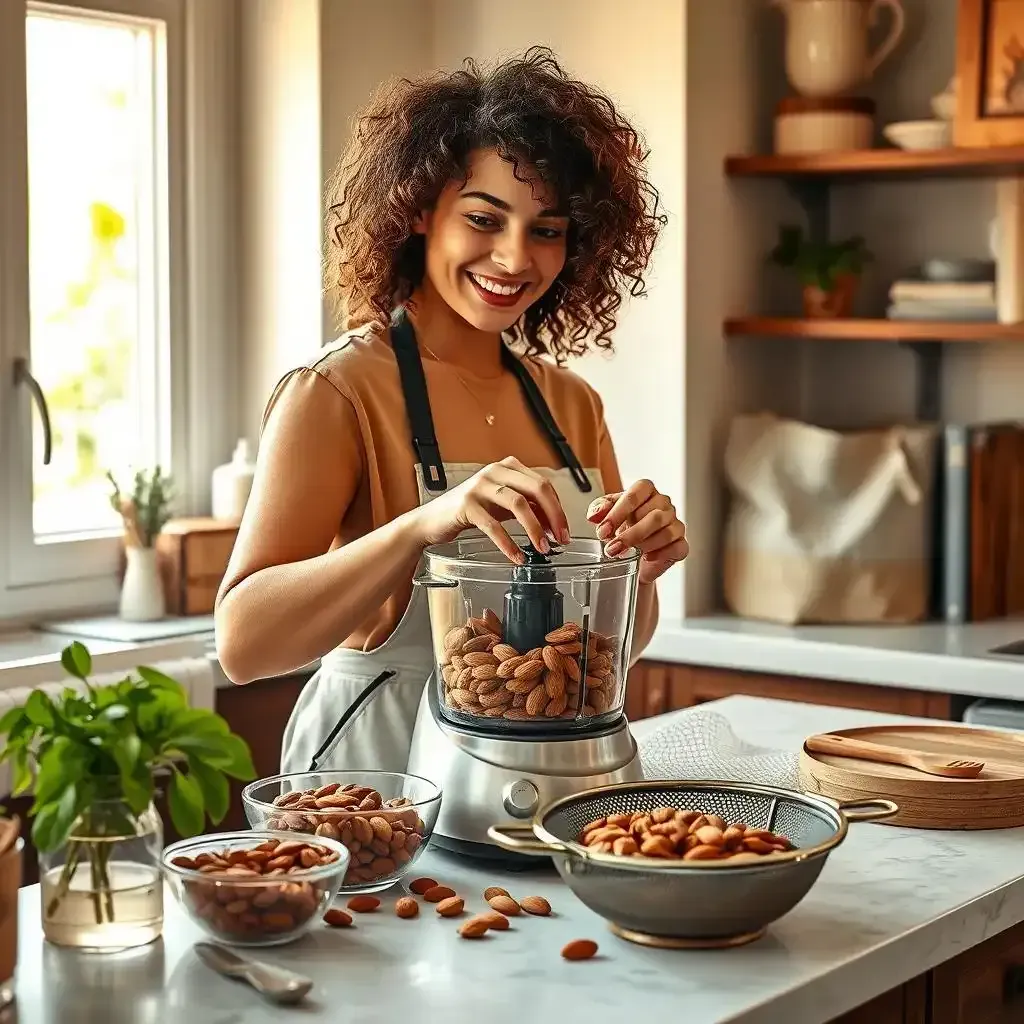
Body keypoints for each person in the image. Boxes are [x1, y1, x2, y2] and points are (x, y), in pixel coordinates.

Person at [214, 47, 689, 775]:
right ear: (417, 213)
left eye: (547, 230)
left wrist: (641, 568)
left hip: (539, 771)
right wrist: (423, 525)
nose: (512, 258)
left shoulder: (572, 404)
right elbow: (243, 645)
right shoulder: (337, 390)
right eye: (483, 218)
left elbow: (612, 646)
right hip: (375, 780)